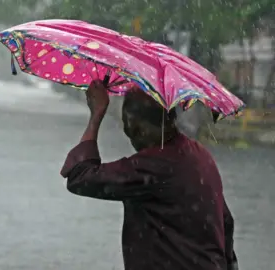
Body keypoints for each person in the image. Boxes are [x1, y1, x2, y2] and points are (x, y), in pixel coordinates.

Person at [60, 80, 238, 270]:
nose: (130, 136)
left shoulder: (154, 165)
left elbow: (80, 178)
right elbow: (225, 222)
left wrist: (96, 115)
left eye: (128, 128)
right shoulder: (200, 155)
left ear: (136, 127)